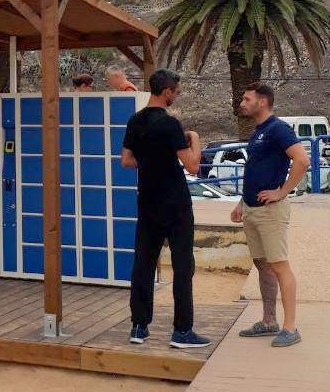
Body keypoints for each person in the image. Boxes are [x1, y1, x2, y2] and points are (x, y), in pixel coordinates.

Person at [121, 69, 210, 348]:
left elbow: (126, 160)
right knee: (183, 265)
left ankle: (138, 327)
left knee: (143, 263)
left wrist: (150, 160)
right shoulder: (170, 125)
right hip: (175, 203)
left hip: (147, 200)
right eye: (177, 91)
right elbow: (193, 165)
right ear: (167, 91)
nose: (177, 95)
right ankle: (182, 331)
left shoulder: (135, 121)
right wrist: (194, 138)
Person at [231, 83, 309, 347]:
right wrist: (242, 202)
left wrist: (282, 192)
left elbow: (302, 160)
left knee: (279, 265)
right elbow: (255, 169)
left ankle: (290, 328)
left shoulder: (278, 128)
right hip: (252, 209)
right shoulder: (258, 132)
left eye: (246, 98)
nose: (241, 102)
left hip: (270, 211)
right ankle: (268, 321)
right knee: (262, 264)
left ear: (262, 102)